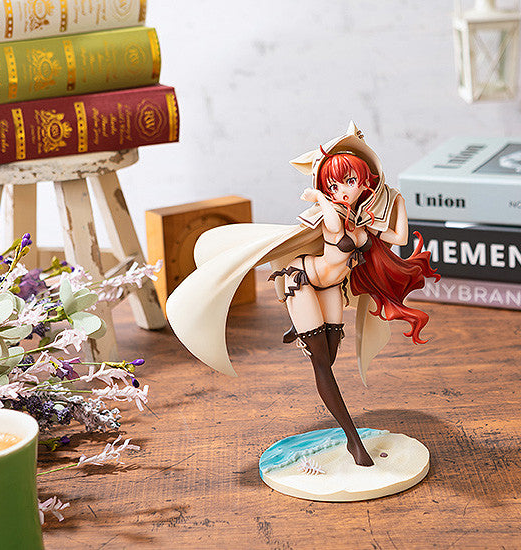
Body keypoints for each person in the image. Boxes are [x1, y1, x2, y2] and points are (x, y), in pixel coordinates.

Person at [166, 122, 438, 467]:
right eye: (333, 184)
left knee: (331, 354)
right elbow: (334, 225)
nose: (341, 190)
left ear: (365, 180)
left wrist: (396, 200)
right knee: (321, 365)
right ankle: (354, 442)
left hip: (331, 288)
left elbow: (399, 238)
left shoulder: (362, 219)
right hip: (304, 279)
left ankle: (302, 329)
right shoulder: (331, 212)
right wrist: (321, 197)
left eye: (348, 181)